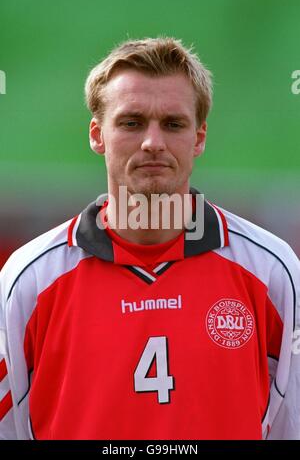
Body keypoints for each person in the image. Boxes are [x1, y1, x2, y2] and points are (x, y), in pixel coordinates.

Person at [0, 37, 299, 441]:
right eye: (132, 122)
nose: (153, 143)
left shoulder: (272, 271)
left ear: (199, 137)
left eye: (173, 124)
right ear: (97, 135)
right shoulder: (28, 279)